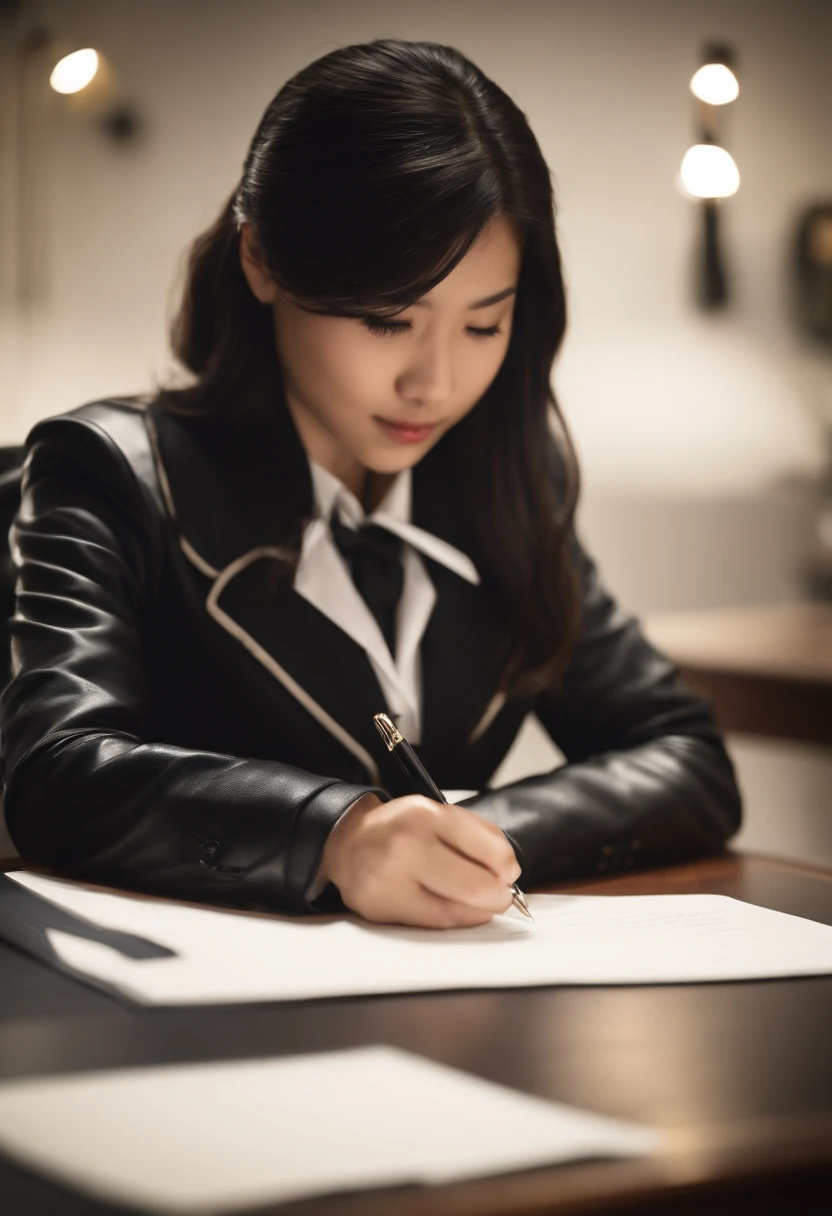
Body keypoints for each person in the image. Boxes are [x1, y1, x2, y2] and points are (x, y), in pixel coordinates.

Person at [0, 39, 742, 930]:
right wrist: (335, 837)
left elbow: (686, 758)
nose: (434, 385)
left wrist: (466, 842)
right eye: (389, 321)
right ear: (262, 260)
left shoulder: (506, 478)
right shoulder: (110, 470)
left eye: (483, 323)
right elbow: (57, 772)